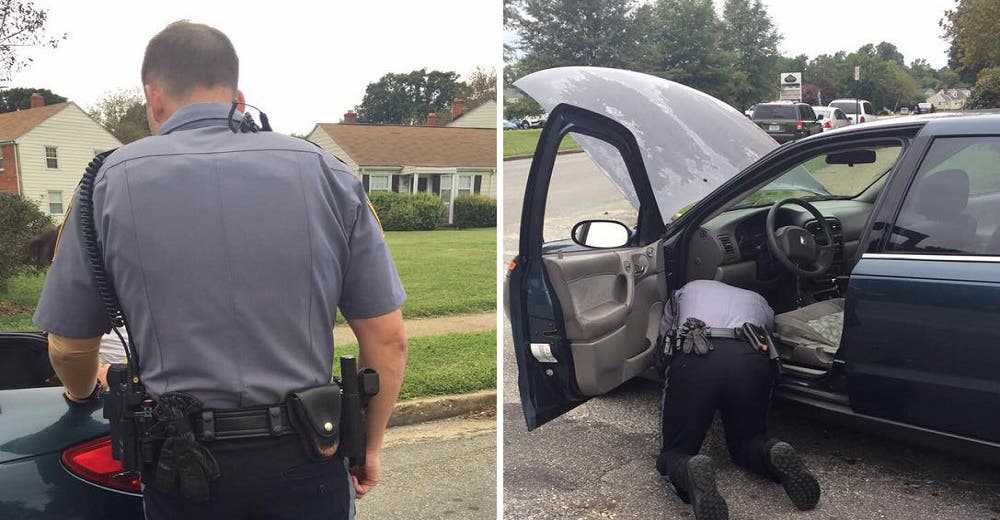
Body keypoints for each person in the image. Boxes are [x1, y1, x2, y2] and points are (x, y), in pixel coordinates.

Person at [33, 20, 407, 519]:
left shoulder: (104, 182)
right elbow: (387, 340)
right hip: (308, 456)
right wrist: (369, 447)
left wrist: (83, 392)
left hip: (183, 468)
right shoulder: (328, 172)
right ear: (239, 95)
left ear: (153, 96)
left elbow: (70, 344)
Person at [656, 280, 820, 520]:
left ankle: (687, 466)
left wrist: (670, 374)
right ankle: (771, 451)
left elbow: (666, 338)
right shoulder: (761, 302)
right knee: (748, 442)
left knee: (672, 452)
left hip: (698, 354)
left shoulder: (687, 288)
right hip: (750, 357)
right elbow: (769, 334)